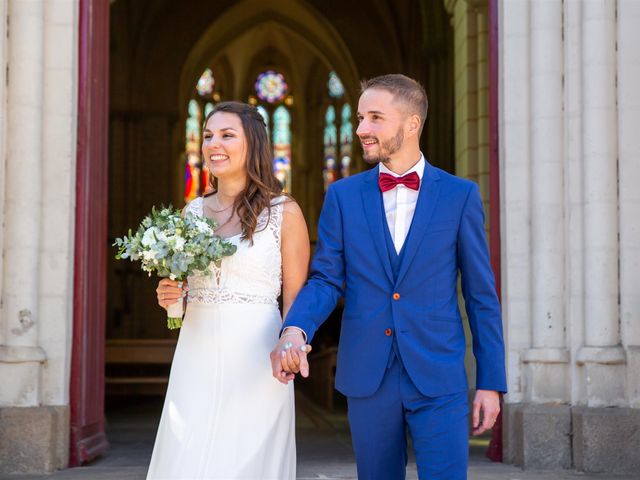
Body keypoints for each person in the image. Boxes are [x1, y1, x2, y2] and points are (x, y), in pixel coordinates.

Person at [271, 74, 507, 480]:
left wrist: (491, 382)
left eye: (375, 117)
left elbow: (481, 296)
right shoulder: (342, 197)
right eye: (361, 117)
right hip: (368, 376)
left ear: (411, 123)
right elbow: (326, 279)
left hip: (438, 374)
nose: (362, 129)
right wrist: (295, 329)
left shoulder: (459, 196)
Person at [149, 101, 310, 479]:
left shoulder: (284, 212)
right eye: (207, 135)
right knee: (187, 458)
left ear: (253, 144)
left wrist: (292, 346)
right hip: (195, 353)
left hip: (257, 360)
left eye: (226, 135)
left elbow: (297, 301)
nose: (212, 144)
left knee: (247, 463)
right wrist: (172, 299)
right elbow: (183, 291)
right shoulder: (191, 213)